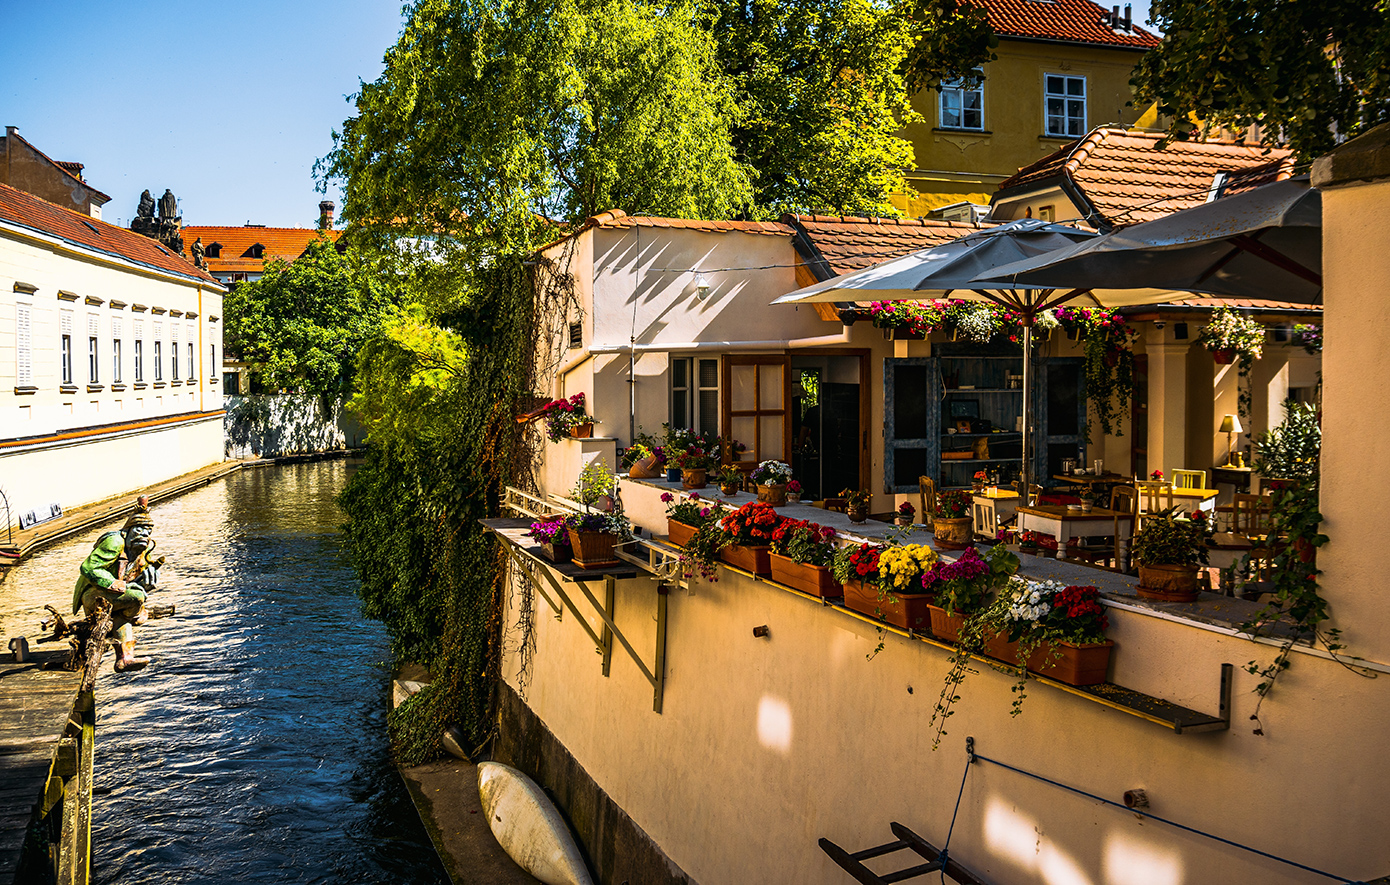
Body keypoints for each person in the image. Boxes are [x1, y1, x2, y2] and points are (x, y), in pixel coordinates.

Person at [71, 497, 158, 671]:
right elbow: (88, 567)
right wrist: (115, 584)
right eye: (140, 530)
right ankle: (135, 614)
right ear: (127, 531)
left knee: (127, 608)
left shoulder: (142, 549)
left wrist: (151, 576)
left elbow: (136, 574)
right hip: (93, 594)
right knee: (137, 597)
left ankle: (125, 659)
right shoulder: (115, 541)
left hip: (113, 596)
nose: (145, 535)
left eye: (148, 532)